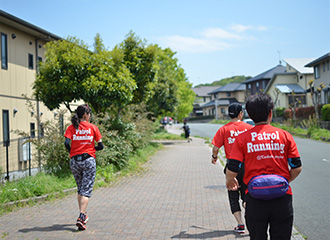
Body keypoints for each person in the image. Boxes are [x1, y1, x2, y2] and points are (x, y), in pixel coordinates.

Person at [226, 93, 302, 240]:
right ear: (270, 113)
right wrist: (283, 182)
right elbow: (297, 167)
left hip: (254, 199)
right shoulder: (285, 136)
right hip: (282, 198)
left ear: (249, 114)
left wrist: (230, 180)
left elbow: (233, 166)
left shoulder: (242, 139)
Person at [211, 103, 253, 234]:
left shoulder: (224, 129)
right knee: (248, 195)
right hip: (248, 166)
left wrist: (214, 157)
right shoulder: (249, 128)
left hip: (231, 167)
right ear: (241, 113)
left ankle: (240, 224)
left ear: (229, 114)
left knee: (233, 194)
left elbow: (216, 147)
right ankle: (251, 221)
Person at [64, 104, 104, 230]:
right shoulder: (93, 127)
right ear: (86, 115)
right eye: (89, 114)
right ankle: (81, 216)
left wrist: (73, 152)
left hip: (75, 161)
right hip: (88, 160)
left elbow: (66, 143)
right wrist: (92, 149)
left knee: (80, 188)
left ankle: (83, 214)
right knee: (86, 190)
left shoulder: (71, 127)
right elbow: (101, 146)